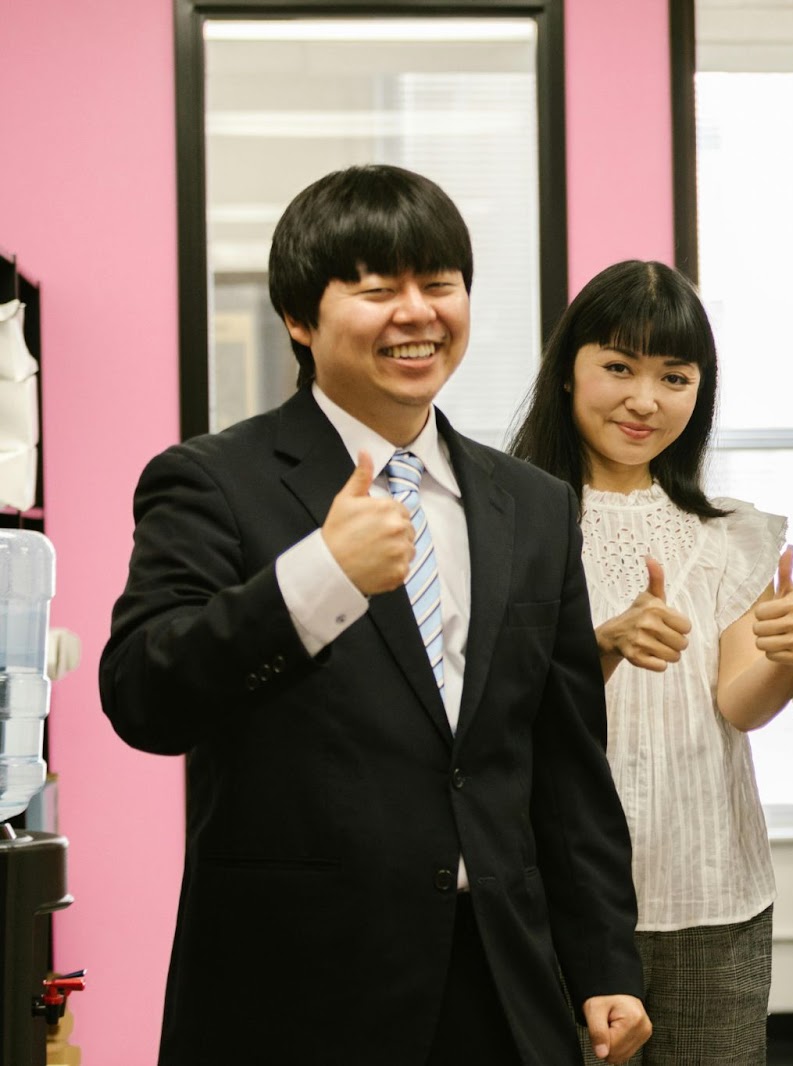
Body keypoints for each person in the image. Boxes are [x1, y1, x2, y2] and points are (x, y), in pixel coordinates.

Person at [99, 165, 650, 1066]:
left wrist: (604, 963)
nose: (418, 313)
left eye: (439, 284)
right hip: (299, 992)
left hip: (502, 987)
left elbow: (563, 762)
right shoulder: (212, 482)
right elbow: (143, 691)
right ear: (300, 319)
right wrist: (319, 577)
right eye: (376, 288)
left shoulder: (535, 504)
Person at [508, 259, 793, 1065]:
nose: (645, 400)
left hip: (714, 895)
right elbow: (499, 712)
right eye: (618, 368)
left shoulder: (730, 531)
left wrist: (786, 659)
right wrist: (601, 646)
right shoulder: (512, 523)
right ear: (567, 371)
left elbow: (739, 703)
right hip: (558, 901)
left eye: (674, 377)